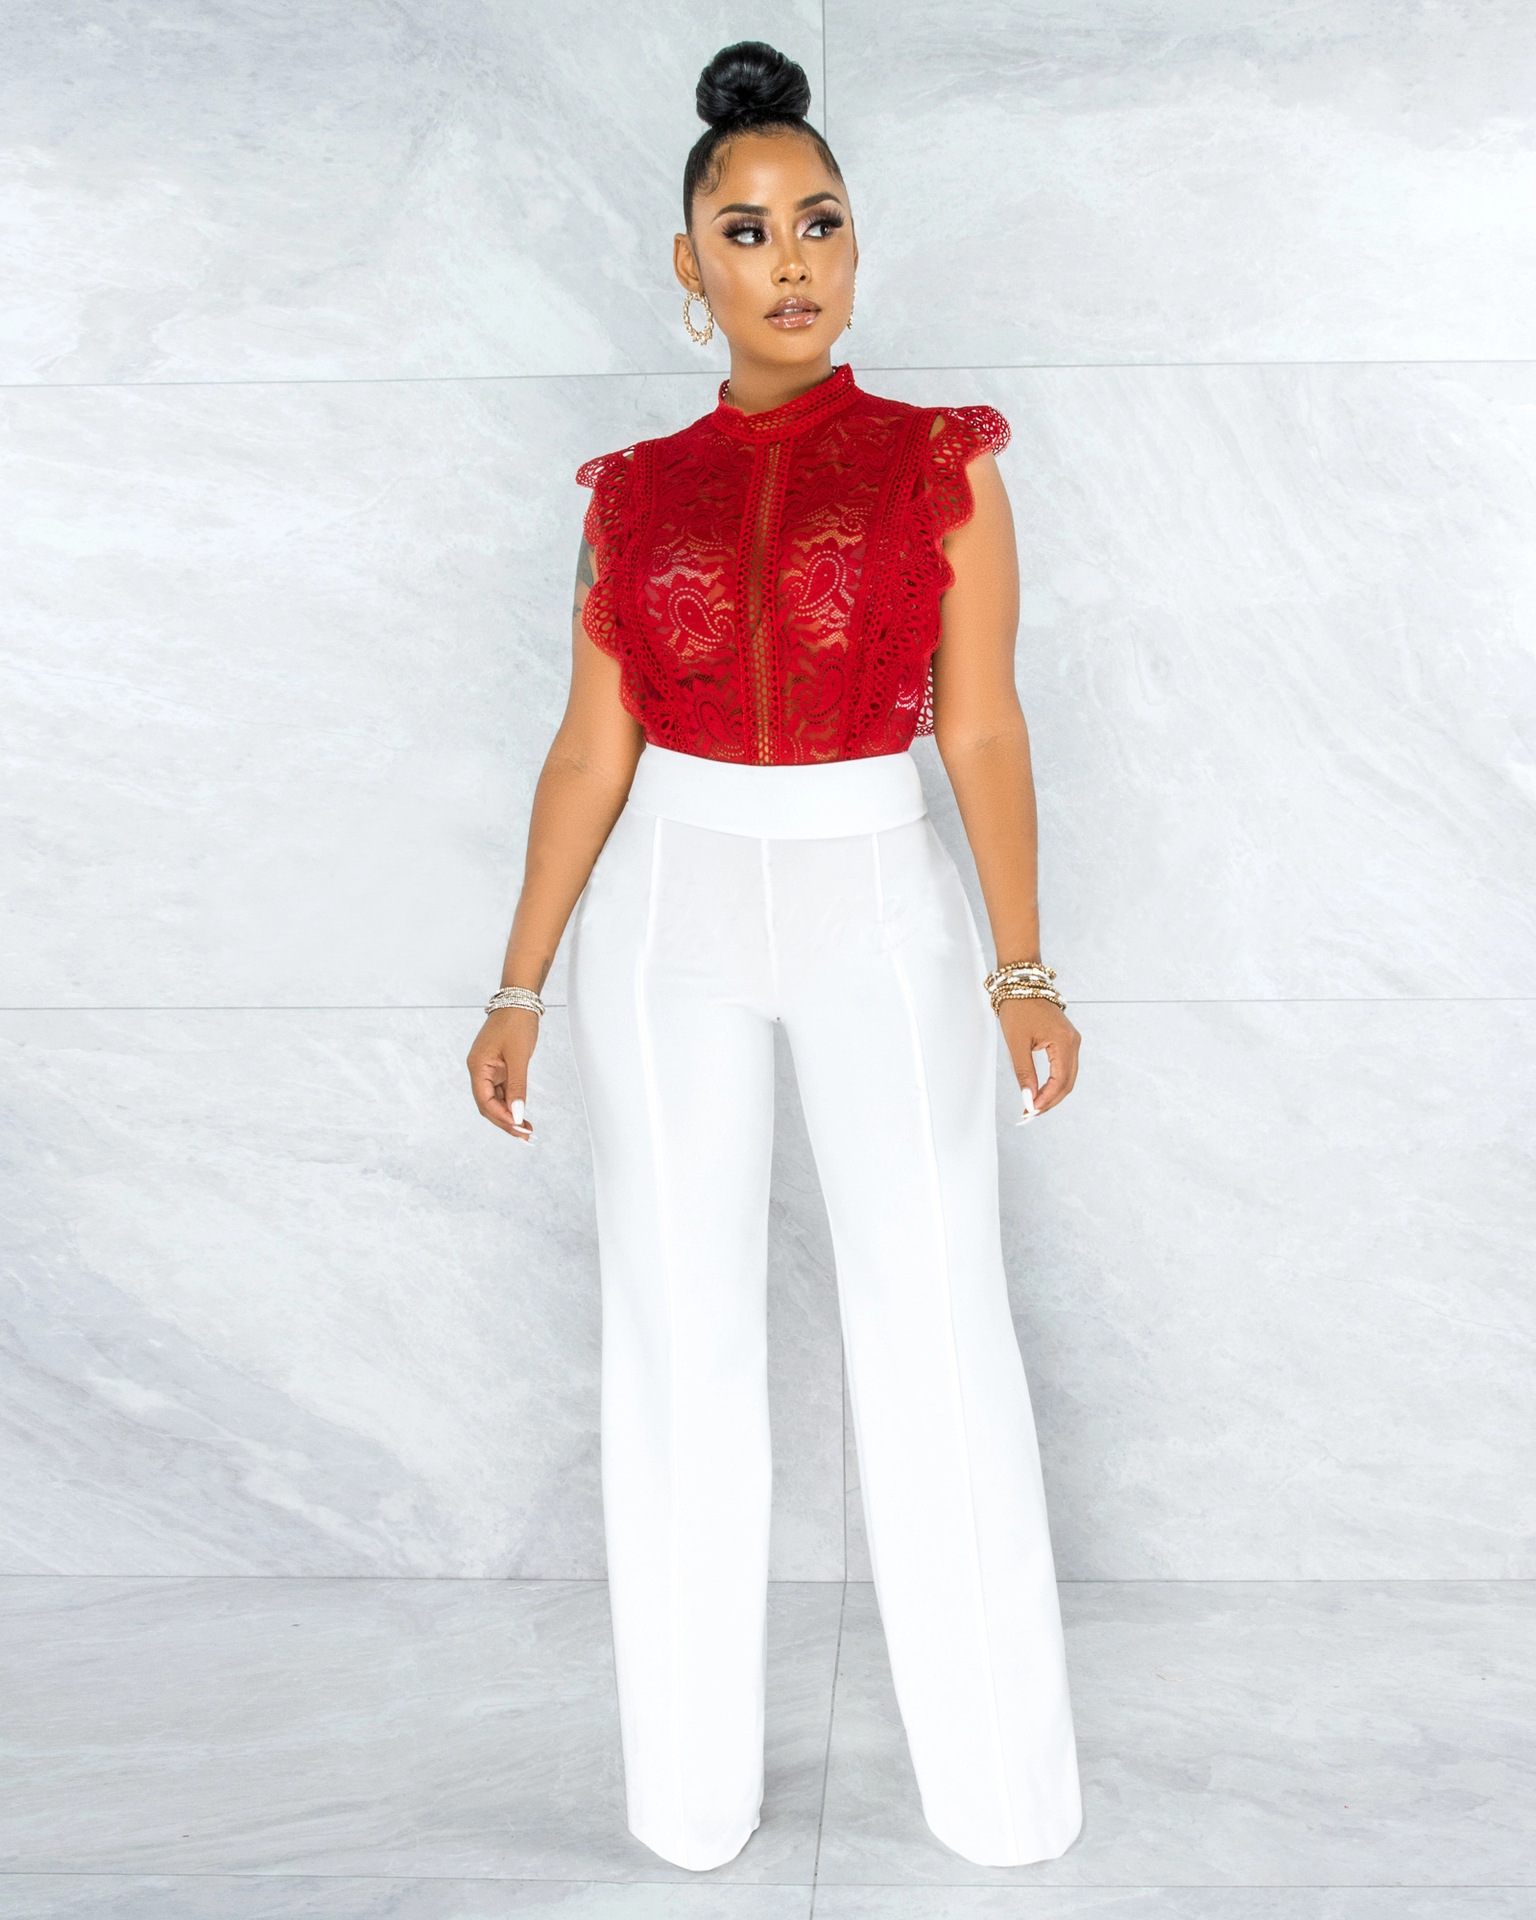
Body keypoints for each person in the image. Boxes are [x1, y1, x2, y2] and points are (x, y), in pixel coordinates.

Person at [467, 40, 1083, 1874]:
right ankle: (687, 1804)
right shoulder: (629, 492)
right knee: (677, 1337)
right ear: (690, 267)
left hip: (875, 891)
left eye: (819, 221)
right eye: (745, 231)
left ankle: (1002, 1794)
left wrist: (1024, 967)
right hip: (666, 909)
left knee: (934, 1317)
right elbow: (590, 755)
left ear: (855, 246)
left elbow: (983, 726)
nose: (790, 258)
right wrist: (516, 984)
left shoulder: (940, 465)